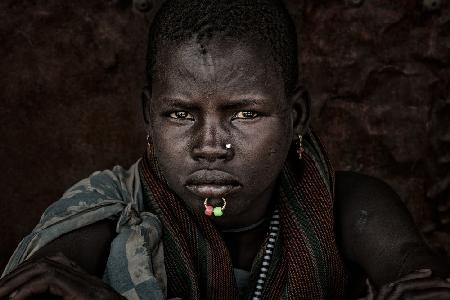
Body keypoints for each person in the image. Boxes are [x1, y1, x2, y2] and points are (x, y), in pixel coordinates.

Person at [1, 0, 449, 299]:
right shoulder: (109, 209)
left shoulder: (349, 206)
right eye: (180, 114)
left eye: (245, 114)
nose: (211, 146)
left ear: (297, 114)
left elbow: (422, 278)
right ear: (147, 113)